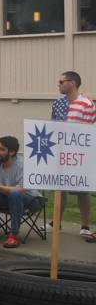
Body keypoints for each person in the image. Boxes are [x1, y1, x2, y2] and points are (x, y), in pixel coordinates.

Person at [53, 71, 93, 237]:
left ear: (72, 83)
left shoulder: (86, 104)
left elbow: (89, 130)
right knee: (59, 188)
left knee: (83, 190)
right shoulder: (58, 104)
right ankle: (56, 222)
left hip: (79, 154)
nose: (59, 84)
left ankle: (85, 225)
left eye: (61, 81)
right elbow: (53, 125)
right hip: (60, 152)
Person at [0, 135, 42, 248]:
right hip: (7, 198)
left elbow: (23, 189)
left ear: (12, 152)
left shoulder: (22, 165)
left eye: (1, 149)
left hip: (31, 200)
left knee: (15, 194)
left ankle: (14, 235)